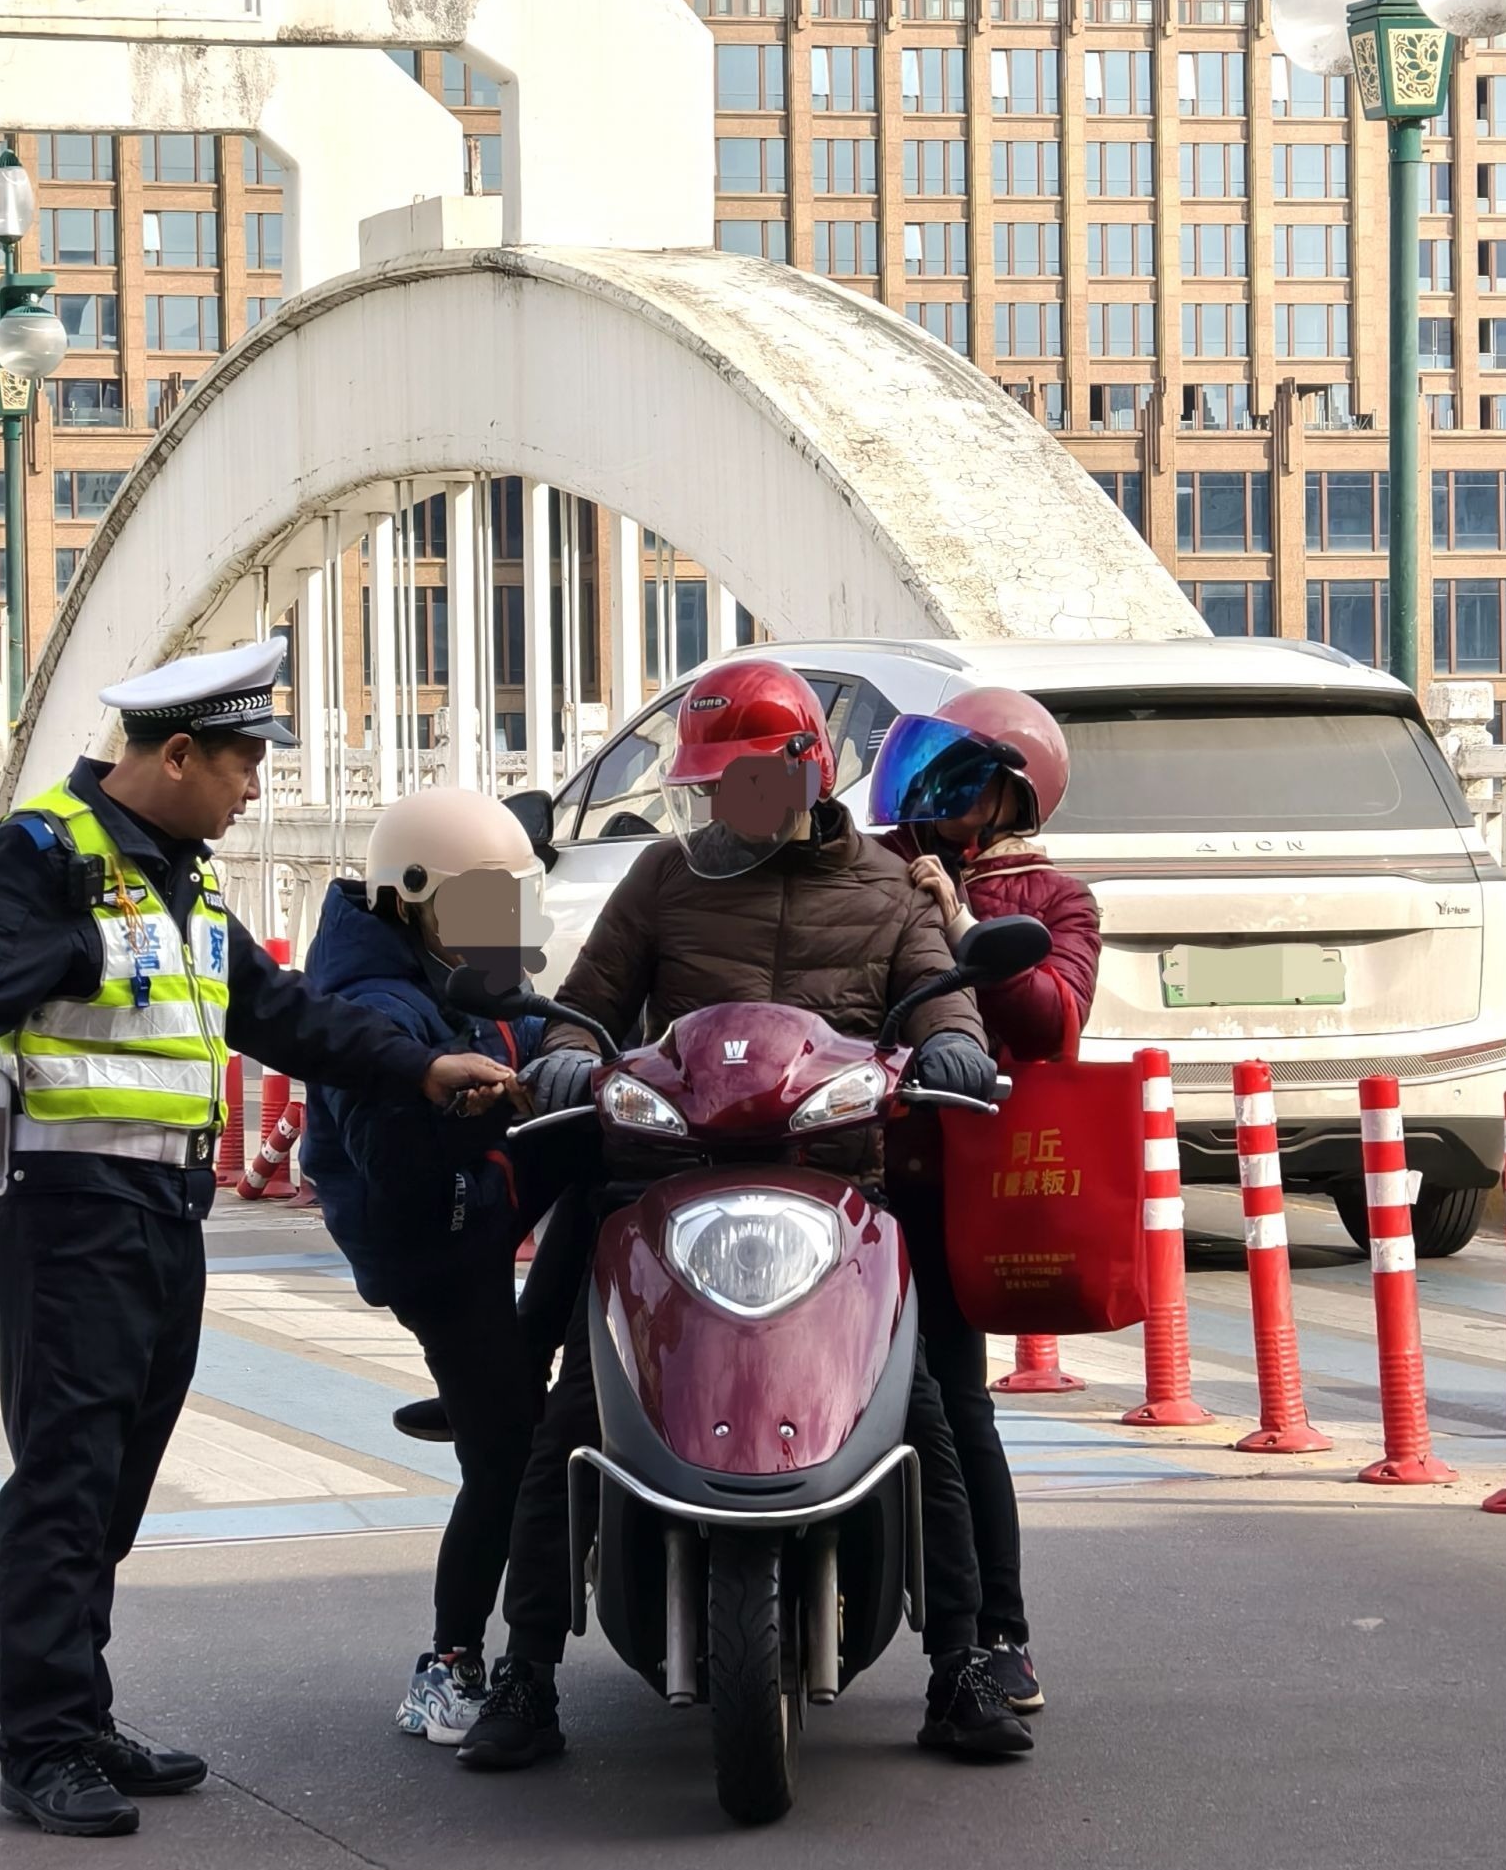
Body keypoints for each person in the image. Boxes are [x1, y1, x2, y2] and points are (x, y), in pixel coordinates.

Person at [0, 639, 513, 1840]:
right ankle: (41, 1745)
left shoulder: (186, 883)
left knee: (117, 1479)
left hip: (165, 1216)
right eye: (244, 761)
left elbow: (290, 1017)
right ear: (176, 753)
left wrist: (422, 1068)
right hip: (69, 1216)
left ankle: (80, 1713)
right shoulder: (49, 860)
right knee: (65, 1480)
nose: (255, 785)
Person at [456, 656, 1035, 1774]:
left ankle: (960, 1664)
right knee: (573, 1412)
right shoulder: (665, 879)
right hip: (665, 1181)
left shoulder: (886, 887)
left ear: (807, 768)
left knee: (924, 1417)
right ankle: (523, 1669)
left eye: (746, 779)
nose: (727, 803)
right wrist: (571, 1060)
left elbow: (940, 989)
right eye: (712, 784)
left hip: (839, 1187)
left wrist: (954, 1041)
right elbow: (587, 1004)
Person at [301, 787, 594, 1745]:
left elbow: (525, 1016)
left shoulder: (455, 954)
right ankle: (451, 1659)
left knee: (613, 1156)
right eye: (484, 906)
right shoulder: (373, 1001)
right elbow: (392, 1155)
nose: (504, 926)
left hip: (483, 1179)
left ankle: (519, 1359)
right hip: (430, 1231)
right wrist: (450, 1106)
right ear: (415, 898)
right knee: (506, 1455)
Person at [872, 684, 1101, 1716]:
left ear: (1012, 798)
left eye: (963, 783)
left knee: (958, 1403)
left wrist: (958, 916)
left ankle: (997, 1633)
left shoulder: (1055, 899)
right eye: (933, 774)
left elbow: (1052, 1018)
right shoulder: (870, 867)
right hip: (853, 1163)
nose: (938, 800)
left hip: (959, 1178)